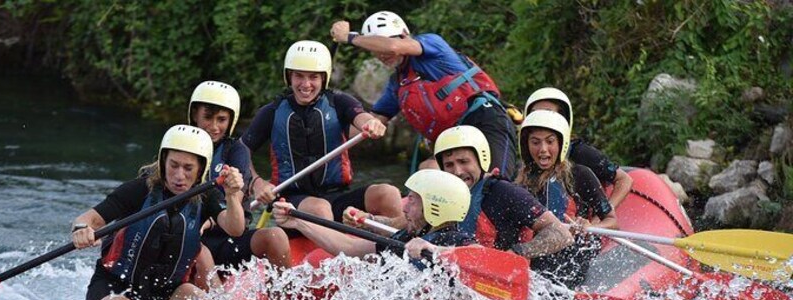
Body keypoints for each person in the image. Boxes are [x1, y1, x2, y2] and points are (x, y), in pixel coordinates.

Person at [71, 125, 246, 300]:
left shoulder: (206, 197)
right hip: (116, 287)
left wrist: (232, 194)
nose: (179, 175)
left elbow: (235, 229)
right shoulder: (138, 190)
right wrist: (82, 229)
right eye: (173, 165)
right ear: (163, 162)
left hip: (168, 292)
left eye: (188, 168)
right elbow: (88, 219)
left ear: (201, 169)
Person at [331, 11, 517, 177]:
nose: (381, 54)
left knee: (496, 181)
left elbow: (393, 47)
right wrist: (327, 130)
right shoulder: (397, 84)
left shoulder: (431, 44)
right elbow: (374, 120)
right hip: (454, 139)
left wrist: (349, 37)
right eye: (375, 50)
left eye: (381, 45)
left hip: (484, 119)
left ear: (404, 36)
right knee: (428, 171)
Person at [241, 40, 403, 228]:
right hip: (291, 201)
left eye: (313, 77)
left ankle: (398, 245)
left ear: (323, 79)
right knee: (321, 209)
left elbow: (361, 117)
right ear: (289, 77)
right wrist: (257, 183)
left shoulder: (339, 102)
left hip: (337, 196)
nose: (306, 84)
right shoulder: (272, 112)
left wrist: (372, 123)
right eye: (299, 76)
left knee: (388, 193)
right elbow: (240, 151)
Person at [425, 125, 575, 263]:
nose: (457, 172)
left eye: (464, 162)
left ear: (480, 160)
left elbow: (561, 234)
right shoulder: (441, 199)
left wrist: (516, 253)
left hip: (502, 282)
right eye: (449, 165)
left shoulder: (503, 192)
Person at [187, 80, 292, 270]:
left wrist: (208, 221)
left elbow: (234, 212)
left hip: (228, 238)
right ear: (195, 115)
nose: (213, 126)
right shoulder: (181, 147)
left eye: (221, 119)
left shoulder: (236, 151)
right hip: (189, 239)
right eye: (207, 117)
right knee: (198, 252)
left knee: (275, 236)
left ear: (231, 121)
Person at [273, 169, 473, 262]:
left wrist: (436, 251)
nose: (404, 208)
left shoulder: (454, 240)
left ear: (435, 207)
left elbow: (480, 257)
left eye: (412, 200)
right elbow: (348, 247)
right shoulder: (405, 238)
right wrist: (298, 221)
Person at [516, 111, 618, 287]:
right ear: (526, 146)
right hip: (536, 258)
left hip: (573, 257)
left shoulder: (580, 175)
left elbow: (612, 221)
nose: (543, 149)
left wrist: (591, 226)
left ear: (561, 144)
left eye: (550, 141)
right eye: (535, 142)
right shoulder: (519, 183)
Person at [524, 87, 633, 209]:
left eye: (547, 112)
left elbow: (624, 180)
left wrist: (603, 215)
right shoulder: (527, 164)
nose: (540, 119)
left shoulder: (581, 153)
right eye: (535, 113)